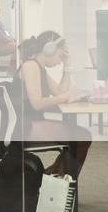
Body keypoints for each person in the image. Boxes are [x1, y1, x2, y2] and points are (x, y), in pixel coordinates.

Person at [12, 31, 92, 183]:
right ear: (49, 49)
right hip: (26, 126)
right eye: (60, 56)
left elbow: (60, 92)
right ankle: (54, 181)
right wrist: (68, 96)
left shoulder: (38, 67)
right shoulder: (31, 66)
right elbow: (37, 103)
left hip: (30, 122)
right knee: (81, 137)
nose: (60, 61)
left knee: (80, 137)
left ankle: (52, 180)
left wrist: (67, 66)